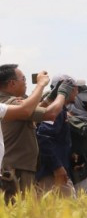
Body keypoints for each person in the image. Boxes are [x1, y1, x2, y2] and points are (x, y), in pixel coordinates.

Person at [0, 66, 69, 194]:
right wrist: (62, 94)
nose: (26, 83)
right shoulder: (13, 103)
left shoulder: (6, 103)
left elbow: (34, 111)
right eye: (24, 79)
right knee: (19, 210)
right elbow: (51, 114)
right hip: (17, 170)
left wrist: (51, 96)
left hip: (15, 168)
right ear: (12, 83)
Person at [36, 75, 84, 197]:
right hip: (51, 173)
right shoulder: (55, 112)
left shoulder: (60, 110)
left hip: (58, 169)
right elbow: (43, 137)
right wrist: (56, 166)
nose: (77, 92)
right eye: (74, 89)